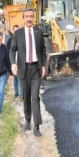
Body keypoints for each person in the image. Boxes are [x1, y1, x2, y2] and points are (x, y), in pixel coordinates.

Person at [10, 8, 46, 137]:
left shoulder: (39, 32)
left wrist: (43, 66)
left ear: (33, 17)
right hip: (23, 69)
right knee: (26, 98)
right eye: (27, 16)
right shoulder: (18, 33)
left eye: (31, 16)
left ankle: (37, 126)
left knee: (35, 98)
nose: (29, 18)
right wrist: (13, 64)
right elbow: (12, 50)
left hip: (36, 69)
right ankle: (27, 120)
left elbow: (43, 51)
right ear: (24, 18)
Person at [11, 25, 23, 100]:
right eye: (15, 30)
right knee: (14, 79)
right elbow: (9, 52)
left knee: (19, 79)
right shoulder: (10, 40)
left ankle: (20, 94)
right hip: (13, 63)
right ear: (13, 31)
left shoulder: (21, 40)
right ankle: (16, 92)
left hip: (19, 63)